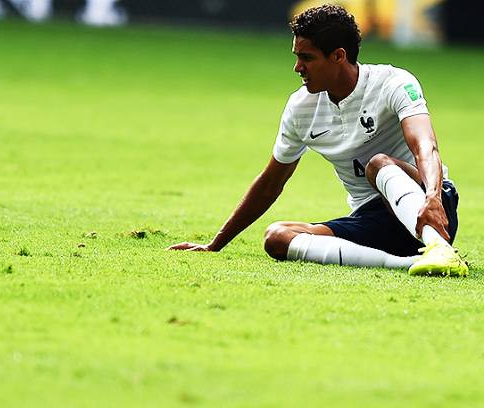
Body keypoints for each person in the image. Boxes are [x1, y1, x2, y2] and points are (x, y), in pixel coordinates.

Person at [168, 4, 468, 277]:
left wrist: (431, 197)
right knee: (277, 236)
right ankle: (408, 263)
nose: (298, 68)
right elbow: (271, 182)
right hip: (371, 219)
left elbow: (425, 145)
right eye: (297, 57)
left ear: (338, 56)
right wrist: (214, 245)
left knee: (377, 164)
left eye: (306, 58)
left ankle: (439, 248)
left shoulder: (393, 83)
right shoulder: (301, 108)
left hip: (430, 207)